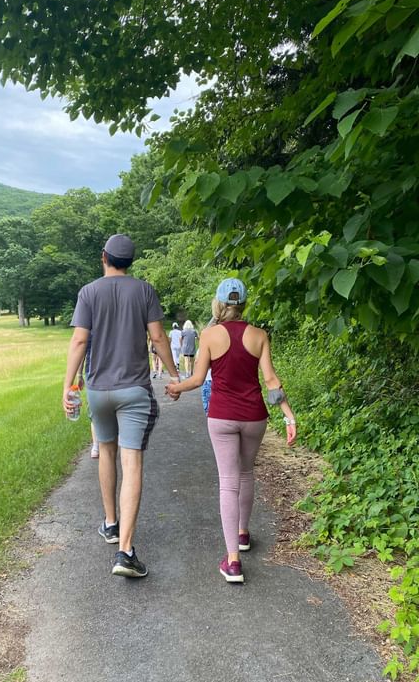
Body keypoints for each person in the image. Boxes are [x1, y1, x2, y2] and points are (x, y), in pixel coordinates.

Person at [63, 234, 180, 578]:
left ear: (104, 257)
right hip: (134, 391)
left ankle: (111, 523)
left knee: (106, 451)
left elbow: (80, 339)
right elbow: (158, 338)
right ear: (131, 262)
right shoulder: (144, 290)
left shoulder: (88, 292)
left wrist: (69, 384)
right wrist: (174, 375)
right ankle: (125, 552)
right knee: (133, 463)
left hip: (99, 390)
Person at [166, 277, 296, 584]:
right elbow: (272, 383)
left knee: (228, 481)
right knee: (246, 473)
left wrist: (175, 388)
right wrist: (289, 417)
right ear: (244, 304)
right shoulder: (259, 335)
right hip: (254, 416)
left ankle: (233, 561)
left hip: (222, 416)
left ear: (219, 304)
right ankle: (243, 534)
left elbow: (197, 380)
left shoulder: (210, 335)